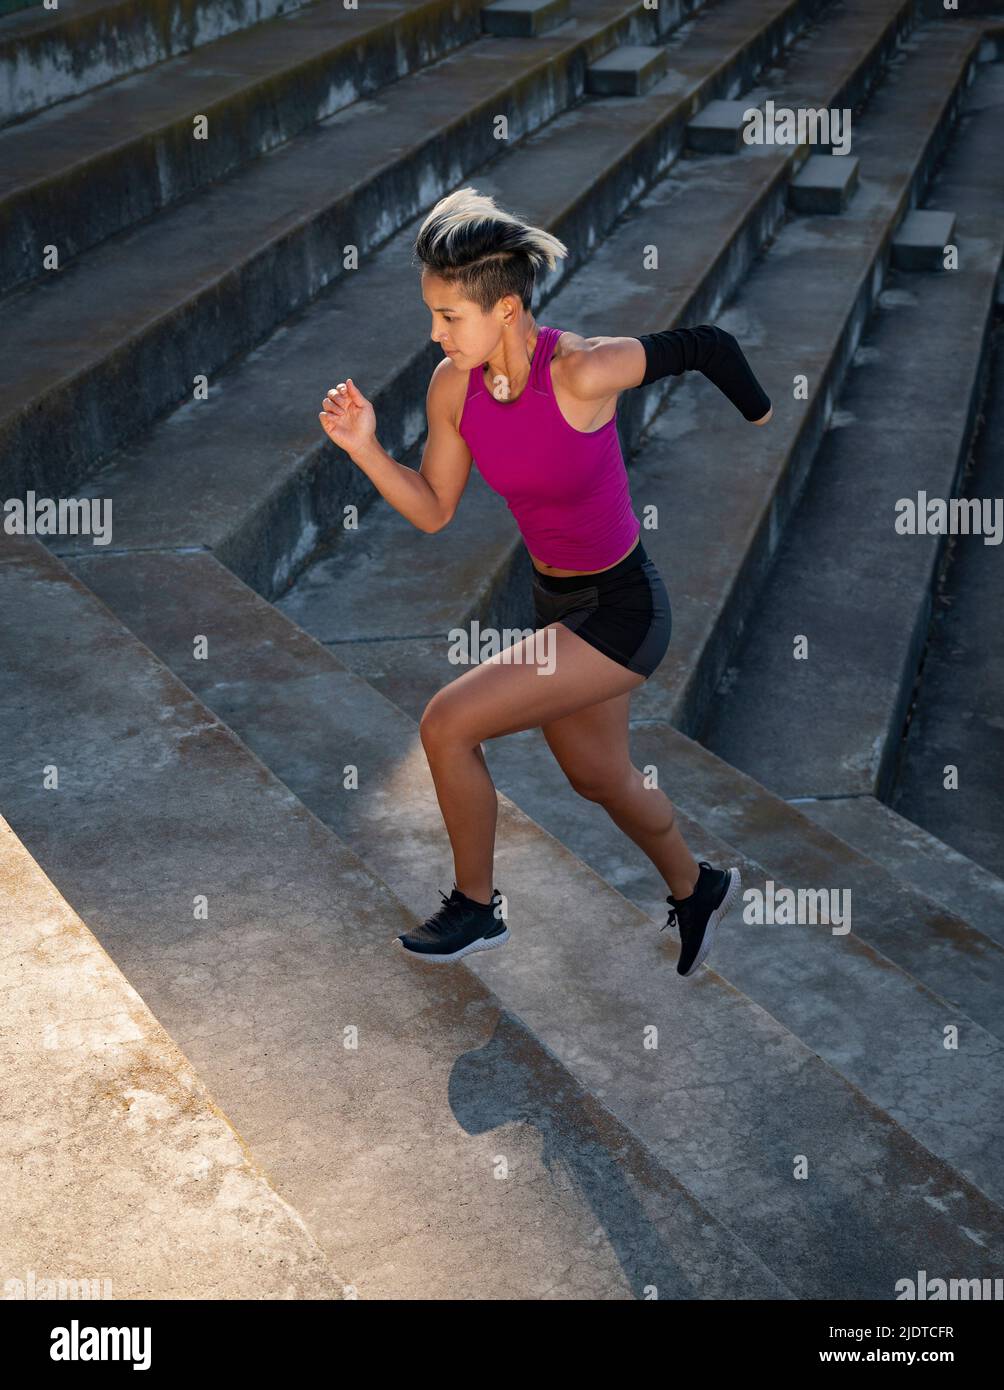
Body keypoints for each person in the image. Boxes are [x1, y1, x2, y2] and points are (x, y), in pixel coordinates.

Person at [319, 187, 772, 977]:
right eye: (433, 315)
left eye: (449, 316)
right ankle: (699, 887)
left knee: (447, 723)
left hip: (625, 608)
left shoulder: (582, 372)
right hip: (560, 604)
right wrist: (364, 447)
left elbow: (704, 343)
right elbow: (432, 509)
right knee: (599, 776)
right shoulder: (452, 388)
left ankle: (475, 909)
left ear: (506, 307)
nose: (435, 333)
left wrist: (760, 413)